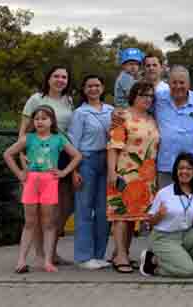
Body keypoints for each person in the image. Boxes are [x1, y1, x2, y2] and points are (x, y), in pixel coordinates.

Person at [3, 105, 82, 273]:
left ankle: (47, 261)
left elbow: (77, 155)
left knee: (49, 223)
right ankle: (21, 261)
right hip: (31, 181)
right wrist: (19, 174)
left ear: (52, 120)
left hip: (50, 182)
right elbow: (8, 154)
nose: (40, 121)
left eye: (44, 118)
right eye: (37, 118)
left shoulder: (58, 138)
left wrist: (63, 172)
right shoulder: (28, 138)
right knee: (30, 222)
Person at [18, 66, 75, 266]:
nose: (60, 80)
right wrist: (22, 159)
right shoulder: (36, 99)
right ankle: (41, 254)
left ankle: (51, 251)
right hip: (38, 157)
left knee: (64, 206)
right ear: (48, 78)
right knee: (38, 209)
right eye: (56, 76)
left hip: (62, 155)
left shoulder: (68, 101)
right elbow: (24, 130)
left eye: (64, 77)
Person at [106, 81, 160, 274]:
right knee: (121, 215)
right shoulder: (123, 117)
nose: (147, 99)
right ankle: (120, 255)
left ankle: (123, 252)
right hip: (125, 172)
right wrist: (112, 172)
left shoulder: (151, 119)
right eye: (143, 95)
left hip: (146, 176)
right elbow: (113, 145)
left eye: (150, 96)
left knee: (133, 217)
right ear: (133, 96)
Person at [140, 153, 193, 278]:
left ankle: (192, 263)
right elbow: (148, 223)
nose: (184, 172)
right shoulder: (164, 193)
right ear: (176, 171)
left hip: (184, 235)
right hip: (163, 238)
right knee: (187, 272)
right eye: (181, 168)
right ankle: (154, 263)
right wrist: (159, 216)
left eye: (189, 168)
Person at [68, 73, 114, 270]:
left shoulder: (111, 111)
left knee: (104, 210)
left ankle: (99, 254)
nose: (94, 89)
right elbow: (73, 143)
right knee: (85, 208)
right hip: (86, 160)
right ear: (84, 90)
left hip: (107, 161)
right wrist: (74, 171)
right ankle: (84, 256)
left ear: (103, 88)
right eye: (89, 86)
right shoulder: (80, 113)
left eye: (97, 85)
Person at [154, 66, 193, 189]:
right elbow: (139, 107)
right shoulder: (158, 98)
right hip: (165, 166)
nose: (178, 86)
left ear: (189, 84)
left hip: (190, 168)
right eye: (174, 82)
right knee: (166, 205)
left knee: (190, 205)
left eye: (182, 83)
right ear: (168, 83)